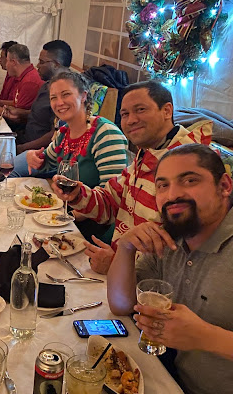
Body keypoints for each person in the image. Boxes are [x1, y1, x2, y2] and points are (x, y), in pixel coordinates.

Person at [107, 143, 233, 394]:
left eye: (189, 180)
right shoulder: (172, 237)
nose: (172, 195)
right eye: (163, 185)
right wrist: (125, 247)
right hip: (177, 386)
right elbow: (121, 304)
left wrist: (206, 337)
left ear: (224, 186)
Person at [49, 80, 212, 274]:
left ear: (167, 111)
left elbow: (181, 256)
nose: (131, 120)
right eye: (125, 114)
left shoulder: (190, 165)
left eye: (140, 109)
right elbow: (110, 203)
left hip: (143, 282)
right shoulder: (148, 154)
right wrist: (77, 194)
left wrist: (117, 264)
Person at [26, 71, 127, 243]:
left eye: (66, 94)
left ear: (84, 96)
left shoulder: (106, 134)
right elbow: (45, 161)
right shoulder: (64, 132)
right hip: (69, 216)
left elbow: (113, 200)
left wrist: (68, 215)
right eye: (53, 98)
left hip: (95, 231)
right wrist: (31, 156)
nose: (59, 103)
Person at [16, 40, 73, 153]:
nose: (37, 66)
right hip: (25, 138)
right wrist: (19, 113)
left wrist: (23, 148)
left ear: (56, 64)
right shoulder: (47, 84)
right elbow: (42, 115)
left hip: (40, 151)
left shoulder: (67, 93)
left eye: (42, 62)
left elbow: (57, 133)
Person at [0, 43, 43, 133]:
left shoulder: (29, 81)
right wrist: (0, 102)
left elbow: (16, 117)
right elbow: (17, 103)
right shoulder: (23, 76)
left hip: (24, 131)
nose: (6, 64)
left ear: (13, 62)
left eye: (7, 61)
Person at [0, 40, 18, 106]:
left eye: (2, 57)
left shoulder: (23, 78)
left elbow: (17, 104)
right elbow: (3, 97)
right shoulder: (9, 73)